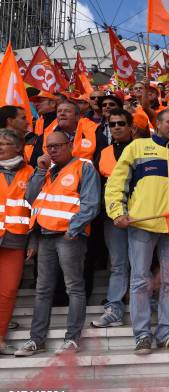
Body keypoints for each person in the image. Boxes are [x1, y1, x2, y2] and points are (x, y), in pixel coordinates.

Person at [105, 109, 169, 355]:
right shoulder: (137, 147)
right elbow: (116, 183)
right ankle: (142, 335)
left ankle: (166, 332)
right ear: (157, 124)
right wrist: (116, 211)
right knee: (140, 281)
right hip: (142, 224)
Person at [15, 131, 101, 356]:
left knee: (74, 287)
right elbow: (31, 199)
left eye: (57, 146)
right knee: (43, 290)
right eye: (49, 147)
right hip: (44, 236)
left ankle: (72, 339)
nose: (52, 150)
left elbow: (91, 204)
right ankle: (36, 340)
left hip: (68, 236)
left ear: (69, 145)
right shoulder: (47, 170)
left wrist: (73, 230)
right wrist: (40, 169)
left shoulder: (84, 166)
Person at [91, 109, 135, 328]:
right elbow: (98, 185)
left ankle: (141, 304)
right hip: (112, 216)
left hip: (140, 214)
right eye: (112, 124)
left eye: (121, 123)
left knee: (140, 264)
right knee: (118, 264)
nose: (116, 127)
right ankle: (114, 307)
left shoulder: (143, 149)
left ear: (131, 127)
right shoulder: (104, 152)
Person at [0, 129, 39, 355]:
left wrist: (33, 240)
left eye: (4, 143)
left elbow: (36, 209)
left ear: (18, 147)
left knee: (8, 291)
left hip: (16, 239)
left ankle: (1, 339)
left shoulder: (31, 172)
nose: (0, 146)